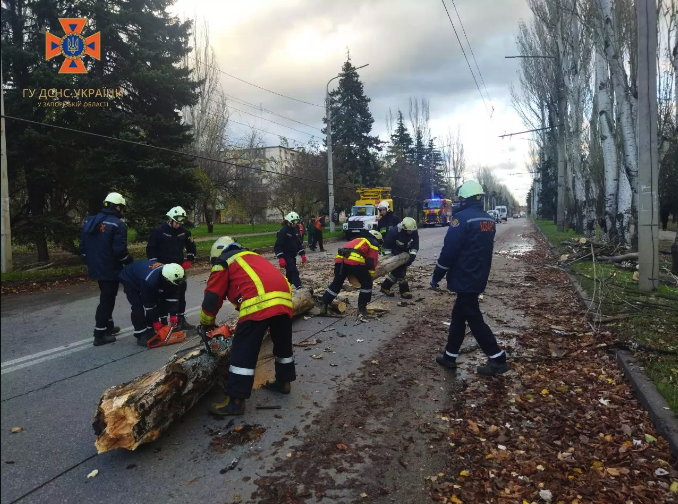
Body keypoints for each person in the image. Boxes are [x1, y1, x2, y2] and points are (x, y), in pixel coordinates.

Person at [199, 236, 296, 416]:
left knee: (243, 350)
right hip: (284, 299)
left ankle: (235, 400)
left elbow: (212, 296)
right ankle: (284, 381)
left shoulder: (223, 262)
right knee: (282, 344)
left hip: (259, 303)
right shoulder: (252, 256)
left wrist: (207, 323)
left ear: (217, 255)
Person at [431, 180, 509, 376]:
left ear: (466, 200)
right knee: (459, 315)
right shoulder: (488, 220)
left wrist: (437, 275)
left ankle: (497, 358)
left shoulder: (461, 220)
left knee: (474, 319)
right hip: (478, 275)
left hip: (464, 276)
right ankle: (450, 356)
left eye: (460, 199)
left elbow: (449, 251)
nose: (459, 202)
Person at [79, 192, 134, 346]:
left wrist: (90, 260)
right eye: (121, 207)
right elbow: (119, 251)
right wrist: (129, 263)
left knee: (106, 294)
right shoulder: (118, 224)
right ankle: (99, 333)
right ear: (117, 207)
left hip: (95, 265)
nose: (122, 210)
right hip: (110, 267)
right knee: (107, 300)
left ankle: (108, 326)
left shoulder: (90, 220)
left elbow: (82, 246)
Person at [146, 206, 197, 330]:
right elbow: (151, 248)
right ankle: (163, 321)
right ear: (170, 219)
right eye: (176, 222)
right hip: (162, 268)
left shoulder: (184, 232)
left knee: (180, 293)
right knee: (163, 295)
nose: (178, 225)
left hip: (178, 268)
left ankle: (180, 319)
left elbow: (191, 246)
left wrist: (190, 259)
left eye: (180, 223)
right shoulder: (159, 231)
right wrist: (155, 265)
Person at [118, 261, 186, 347]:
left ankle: (150, 328)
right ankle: (141, 334)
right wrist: (156, 322)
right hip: (129, 277)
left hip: (143, 273)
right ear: (167, 279)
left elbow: (172, 297)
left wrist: (173, 315)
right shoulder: (149, 282)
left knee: (158, 299)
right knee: (137, 305)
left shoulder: (171, 278)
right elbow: (149, 304)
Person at [319, 230, 383, 317]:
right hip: (354, 260)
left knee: (337, 283)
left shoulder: (358, 239)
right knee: (367, 284)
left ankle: (324, 305)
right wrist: (370, 277)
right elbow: (371, 262)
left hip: (340, 260)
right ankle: (362, 310)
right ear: (377, 238)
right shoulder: (373, 242)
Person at [379, 217, 419, 299]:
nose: (411, 232)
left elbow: (415, 244)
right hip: (394, 252)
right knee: (401, 271)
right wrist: (390, 259)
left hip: (404, 253)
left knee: (398, 271)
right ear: (403, 228)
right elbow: (386, 246)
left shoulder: (413, 231)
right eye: (409, 230)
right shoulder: (394, 232)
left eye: (412, 230)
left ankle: (385, 286)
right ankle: (404, 291)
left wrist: (412, 255)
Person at [274, 211, 307, 290]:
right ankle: (298, 286)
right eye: (294, 222)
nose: (296, 224)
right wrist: (281, 258)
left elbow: (298, 243)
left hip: (293, 255)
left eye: (297, 222)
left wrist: (302, 254)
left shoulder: (295, 230)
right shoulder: (283, 231)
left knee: (289, 272)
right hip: (286, 255)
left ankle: (288, 284)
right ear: (289, 221)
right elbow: (278, 245)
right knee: (294, 270)